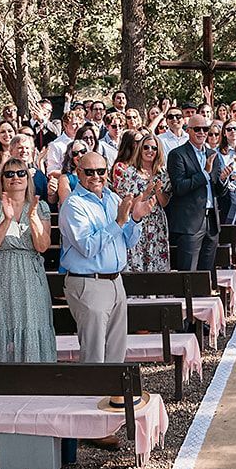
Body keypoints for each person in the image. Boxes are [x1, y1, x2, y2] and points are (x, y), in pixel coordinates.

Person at [60, 150, 144, 363]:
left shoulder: (112, 197)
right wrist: (118, 222)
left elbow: (129, 242)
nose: (96, 176)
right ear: (78, 173)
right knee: (94, 354)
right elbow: (87, 247)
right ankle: (93, 395)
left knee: (117, 351)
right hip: (89, 283)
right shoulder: (73, 205)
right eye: (89, 172)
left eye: (101, 171)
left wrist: (135, 218)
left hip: (116, 280)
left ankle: (114, 395)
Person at [0, 156, 56, 360]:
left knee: (32, 323)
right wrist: (7, 220)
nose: (15, 177)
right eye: (9, 174)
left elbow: (43, 246)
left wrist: (33, 218)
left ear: (28, 178)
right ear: (2, 179)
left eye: (21, 173)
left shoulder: (40, 207)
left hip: (30, 277)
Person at [167, 114, 225, 272]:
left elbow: (218, 191)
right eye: (197, 129)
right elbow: (179, 187)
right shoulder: (177, 154)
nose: (202, 132)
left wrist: (224, 179)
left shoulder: (212, 154)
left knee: (206, 274)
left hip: (212, 222)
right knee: (189, 273)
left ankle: (204, 297)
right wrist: (205, 173)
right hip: (189, 224)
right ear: (188, 130)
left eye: (205, 129)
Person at [113, 132, 171, 271]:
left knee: (156, 260)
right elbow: (127, 205)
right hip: (136, 222)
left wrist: (157, 191)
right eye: (146, 147)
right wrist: (145, 193)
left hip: (156, 223)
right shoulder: (130, 173)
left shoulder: (163, 173)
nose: (150, 151)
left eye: (154, 148)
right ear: (140, 149)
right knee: (136, 260)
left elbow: (164, 203)